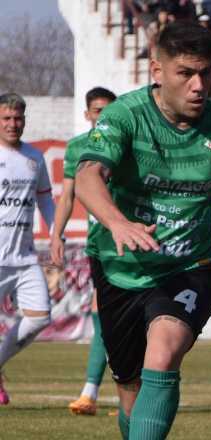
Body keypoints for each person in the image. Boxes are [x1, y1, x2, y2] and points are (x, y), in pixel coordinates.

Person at [73, 22, 211, 438]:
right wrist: (117, 222)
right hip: (121, 268)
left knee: (163, 352)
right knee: (130, 388)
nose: (199, 86)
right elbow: (87, 174)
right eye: (185, 73)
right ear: (157, 72)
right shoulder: (125, 115)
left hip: (188, 266)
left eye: (206, 73)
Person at [50, 87, 117, 416]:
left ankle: (111, 388)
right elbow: (67, 197)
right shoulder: (77, 148)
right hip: (99, 243)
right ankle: (90, 392)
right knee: (103, 310)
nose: (102, 115)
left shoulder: (128, 144)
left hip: (131, 240)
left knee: (122, 315)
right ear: (87, 114)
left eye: (108, 110)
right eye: (97, 110)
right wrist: (56, 235)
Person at [0, 93, 57, 406]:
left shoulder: (34, 157)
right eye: (6, 118)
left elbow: (45, 198)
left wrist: (55, 233)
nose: (13, 124)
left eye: (18, 118)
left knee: (40, 317)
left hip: (23, 258)